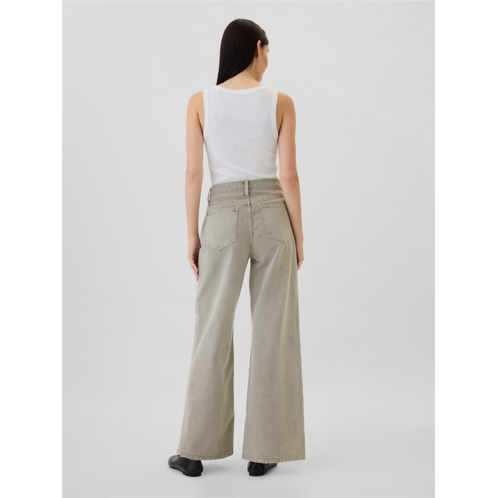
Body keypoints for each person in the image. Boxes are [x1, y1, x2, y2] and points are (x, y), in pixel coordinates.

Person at [168, 18, 306, 478]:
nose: (269, 60)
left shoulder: (200, 102)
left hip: (222, 216)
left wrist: (193, 234)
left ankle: (194, 451)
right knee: (273, 331)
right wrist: (299, 234)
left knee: (211, 328)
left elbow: (193, 173)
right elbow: (289, 177)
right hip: (272, 214)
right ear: (258, 48)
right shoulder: (281, 102)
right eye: (268, 51)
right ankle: (265, 450)